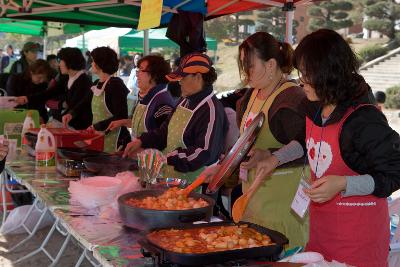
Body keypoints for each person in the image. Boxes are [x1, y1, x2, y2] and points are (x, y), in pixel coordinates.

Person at [290, 29, 400, 266]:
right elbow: (305, 143)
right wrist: (274, 159)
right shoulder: (314, 106)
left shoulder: (364, 120)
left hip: (357, 242)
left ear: (327, 73)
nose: (301, 81)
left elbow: (395, 172)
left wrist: (344, 184)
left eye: (307, 74)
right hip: (320, 233)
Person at [202, 32, 310, 248]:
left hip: (283, 204)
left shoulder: (292, 99)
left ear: (270, 65)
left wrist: (271, 154)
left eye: (249, 65)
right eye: (243, 64)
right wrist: (223, 167)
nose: (245, 72)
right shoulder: (248, 97)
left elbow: (308, 148)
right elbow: (244, 144)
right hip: (252, 201)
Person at [123, 53, 228, 183]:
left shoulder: (211, 110)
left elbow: (203, 153)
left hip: (195, 185)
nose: (179, 82)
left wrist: (166, 158)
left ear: (198, 77)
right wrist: (141, 141)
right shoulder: (184, 101)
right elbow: (164, 132)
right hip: (172, 179)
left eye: (182, 78)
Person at [15, 48, 92, 130]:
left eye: (60, 61)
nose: (59, 65)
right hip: (68, 125)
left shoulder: (83, 81)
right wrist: (27, 98)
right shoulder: (67, 78)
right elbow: (49, 93)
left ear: (69, 61)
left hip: (79, 128)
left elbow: (77, 108)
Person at [107, 55, 176, 140]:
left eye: (141, 70)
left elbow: (162, 137)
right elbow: (145, 124)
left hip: (151, 153)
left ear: (154, 75)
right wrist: (123, 122)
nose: (137, 75)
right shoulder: (146, 96)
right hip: (137, 152)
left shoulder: (163, 104)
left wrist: (140, 144)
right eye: (137, 70)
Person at [86, 47, 130, 153]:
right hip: (98, 137)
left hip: (116, 140)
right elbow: (84, 103)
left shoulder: (115, 85)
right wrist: (72, 114)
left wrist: (98, 126)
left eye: (93, 61)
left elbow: (121, 115)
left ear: (99, 64)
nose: (91, 64)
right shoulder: (96, 83)